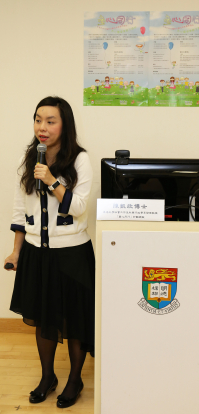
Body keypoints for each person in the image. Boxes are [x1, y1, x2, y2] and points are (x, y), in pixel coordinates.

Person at [4, 96, 95, 409]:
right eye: (38, 119)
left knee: (75, 320)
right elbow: (20, 210)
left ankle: (74, 380)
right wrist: (15, 252)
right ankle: (47, 377)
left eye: (50, 121)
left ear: (64, 125)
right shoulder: (29, 157)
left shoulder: (80, 159)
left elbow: (80, 207)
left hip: (72, 253)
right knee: (43, 318)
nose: (42, 127)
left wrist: (53, 180)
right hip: (35, 253)